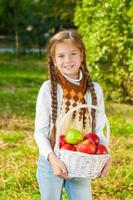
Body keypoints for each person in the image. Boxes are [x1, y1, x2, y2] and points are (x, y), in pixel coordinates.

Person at [34, 29, 111, 200]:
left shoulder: (94, 90)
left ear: (82, 56)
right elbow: (40, 131)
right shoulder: (48, 89)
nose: (67, 60)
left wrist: (106, 155)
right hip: (51, 162)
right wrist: (52, 158)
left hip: (81, 160)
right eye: (61, 56)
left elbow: (99, 130)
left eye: (73, 54)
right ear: (54, 60)